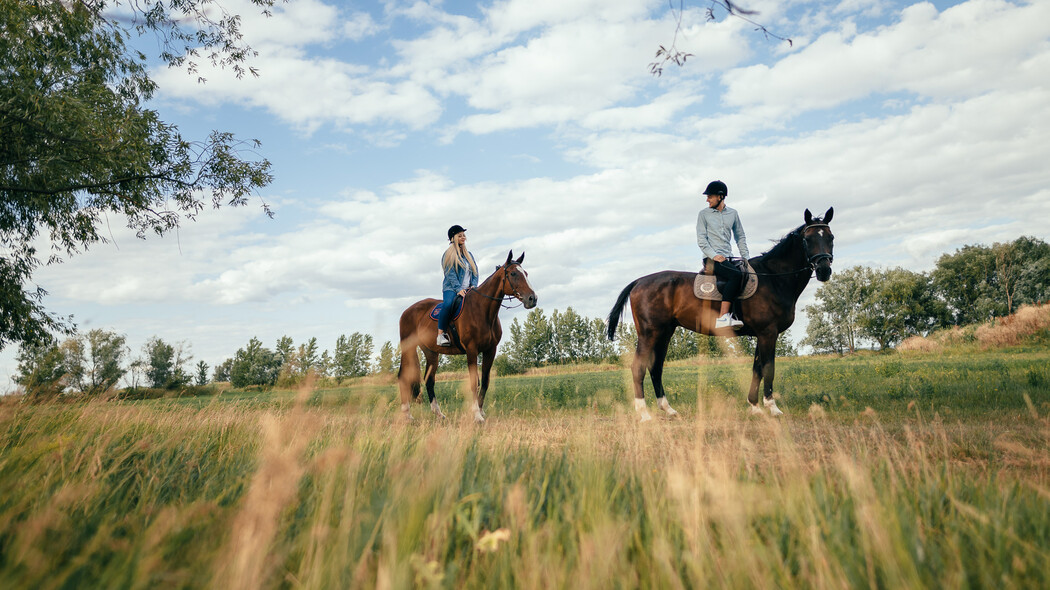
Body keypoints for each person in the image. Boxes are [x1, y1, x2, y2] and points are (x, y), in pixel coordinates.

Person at [696, 180, 750, 329]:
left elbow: (740, 236)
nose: (707, 199)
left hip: (728, 258)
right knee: (736, 275)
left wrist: (746, 258)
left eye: (710, 196)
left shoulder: (733, 213)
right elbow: (701, 240)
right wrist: (714, 256)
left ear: (720, 197)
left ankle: (737, 315)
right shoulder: (703, 214)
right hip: (711, 258)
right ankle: (723, 318)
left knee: (745, 274)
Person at [436, 224, 479, 346]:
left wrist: (474, 286)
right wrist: (458, 289)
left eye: (464, 235)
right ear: (452, 238)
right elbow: (450, 274)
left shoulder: (469, 255)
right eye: (460, 235)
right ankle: (440, 335)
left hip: (469, 289)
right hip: (452, 289)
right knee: (448, 304)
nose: (463, 237)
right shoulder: (448, 254)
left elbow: (475, 272)